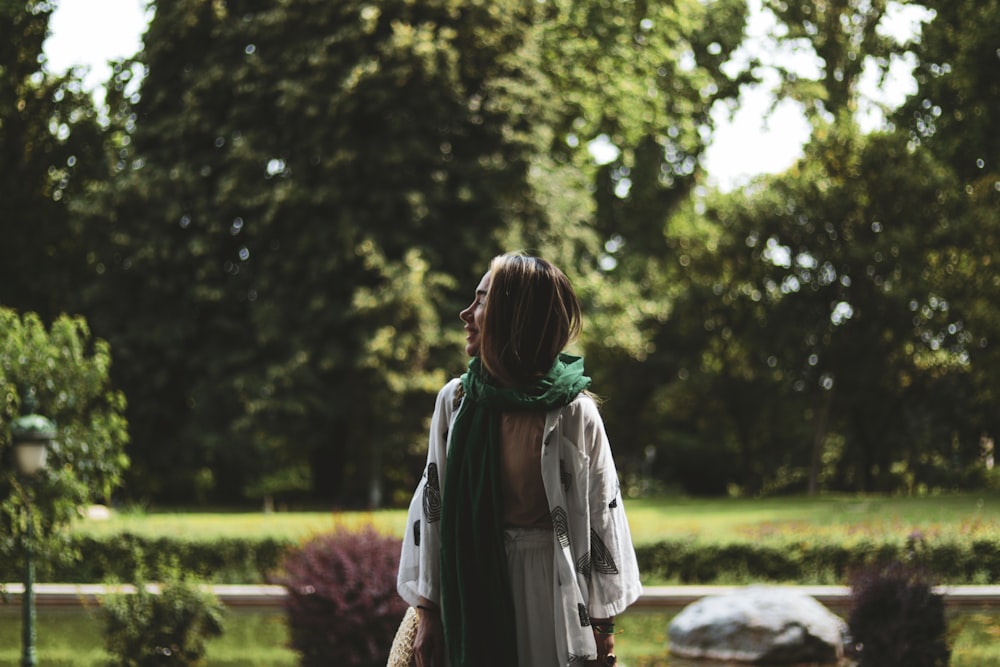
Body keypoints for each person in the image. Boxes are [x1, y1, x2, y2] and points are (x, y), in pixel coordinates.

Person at [396, 253, 642, 667]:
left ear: (515, 315)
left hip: (553, 595)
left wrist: (602, 629)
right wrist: (428, 614)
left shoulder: (573, 413)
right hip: (471, 590)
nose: (466, 313)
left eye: (482, 301)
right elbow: (432, 512)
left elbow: (604, 518)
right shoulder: (456, 402)